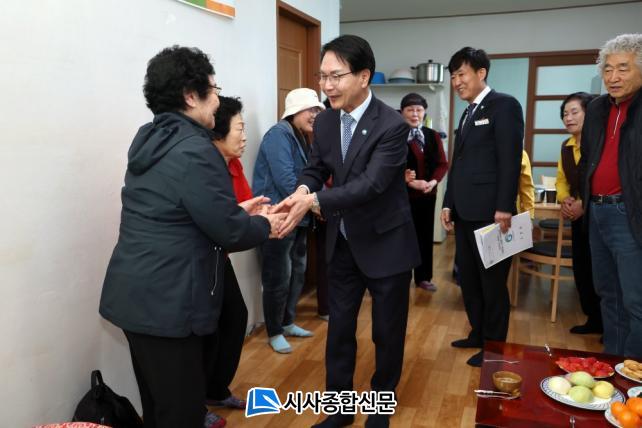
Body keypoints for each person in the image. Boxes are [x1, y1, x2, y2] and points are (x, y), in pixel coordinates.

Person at [99, 46, 282, 428]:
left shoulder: (151, 138)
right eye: (213, 90)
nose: (217, 100)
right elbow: (229, 232)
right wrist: (268, 223)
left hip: (136, 295)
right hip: (169, 302)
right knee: (182, 413)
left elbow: (179, 212)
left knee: (159, 408)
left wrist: (236, 211)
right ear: (190, 96)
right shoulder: (195, 149)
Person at [274, 35, 421, 428]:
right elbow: (316, 168)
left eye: (335, 76)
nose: (327, 85)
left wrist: (315, 201)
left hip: (386, 243)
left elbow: (370, 185)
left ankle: (380, 406)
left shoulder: (392, 125)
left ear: (364, 76)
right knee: (339, 330)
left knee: (387, 333)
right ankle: (339, 409)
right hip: (342, 243)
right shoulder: (325, 121)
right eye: (322, 76)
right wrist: (302, 191)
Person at [440, 47, 523, 367]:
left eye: (461, 74)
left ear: (481, 73)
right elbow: (458, 163)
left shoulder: (504, 105)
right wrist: (448, 203)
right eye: (453, 77)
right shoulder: (467, 112)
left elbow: (510, 160)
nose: (456, 82)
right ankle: (477, 333)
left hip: (492, 213)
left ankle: (494, 346)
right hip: (464, 212)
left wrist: (504, 206)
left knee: (492, 284)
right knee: (469, 279)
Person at [579, 33, 642, 357]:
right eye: (607, 69)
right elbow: (587, 157)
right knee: (608, 294)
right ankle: (614, 364)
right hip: (597, 211)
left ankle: (634, 375)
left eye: (623, 68)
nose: (613, 77)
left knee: (635, 300)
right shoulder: (597, 107)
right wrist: (581, 197)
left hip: (629, 214)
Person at [252, 88, 325, 353]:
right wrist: (316, 205)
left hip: (299, 218)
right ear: (294, 111)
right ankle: (274, 331)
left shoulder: (302, 136)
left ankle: (287, 322)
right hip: (278, 219)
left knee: (296, 273)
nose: (315, 115)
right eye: (310, 109)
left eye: (317, 110)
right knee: (278, 276)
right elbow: (286, 180)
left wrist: (315, 204)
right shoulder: (278, 134)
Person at [203, 96, 257, 417]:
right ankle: (194, 405)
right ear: (218, 131)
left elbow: (245, 207)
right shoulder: (202, 167)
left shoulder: (233, 164)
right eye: (240, 128)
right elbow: (221, 219)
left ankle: (216, 389)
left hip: (219, 256)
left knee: (236, 317)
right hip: (199, 261)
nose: (245, 137)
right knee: (205, 331)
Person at [555, 92, 603, 335]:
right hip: (577, 217)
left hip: (600, 214)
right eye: (565, 114)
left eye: (574, 112)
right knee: (582, 267)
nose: (569, 118)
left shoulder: (600, 143)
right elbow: (561, 180)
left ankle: (609, 324)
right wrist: (565, 199)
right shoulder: (566, 147)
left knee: (601, 270)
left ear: (589, 113)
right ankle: (593, 319)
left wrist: (584, 202)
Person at [400, 93, 449, 292]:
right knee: (402, 238)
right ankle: (401, 277)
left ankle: (423, 277)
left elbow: (442, 164)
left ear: (424, 112)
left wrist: (432, 182)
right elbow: (387, 166)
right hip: (402, 197)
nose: (415, 114)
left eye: (419, 110)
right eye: (410, 110)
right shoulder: (394, 135)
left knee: (425, 236)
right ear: (402, 112)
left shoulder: (432, 135)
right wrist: (410, 183)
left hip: (427, 196)